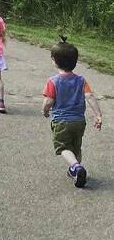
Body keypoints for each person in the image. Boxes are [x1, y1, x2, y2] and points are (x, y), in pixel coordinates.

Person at [43, 37, 102, 188]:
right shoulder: (81, 80)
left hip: (61, 121)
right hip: (79, 122)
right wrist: (98, 115)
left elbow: (49, 101)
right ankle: (74, 170)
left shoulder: (53, 81)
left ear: (55, 61)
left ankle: (76, 167)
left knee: (63, 148)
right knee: (76, 147)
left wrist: (45, 110)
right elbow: (89, 96)